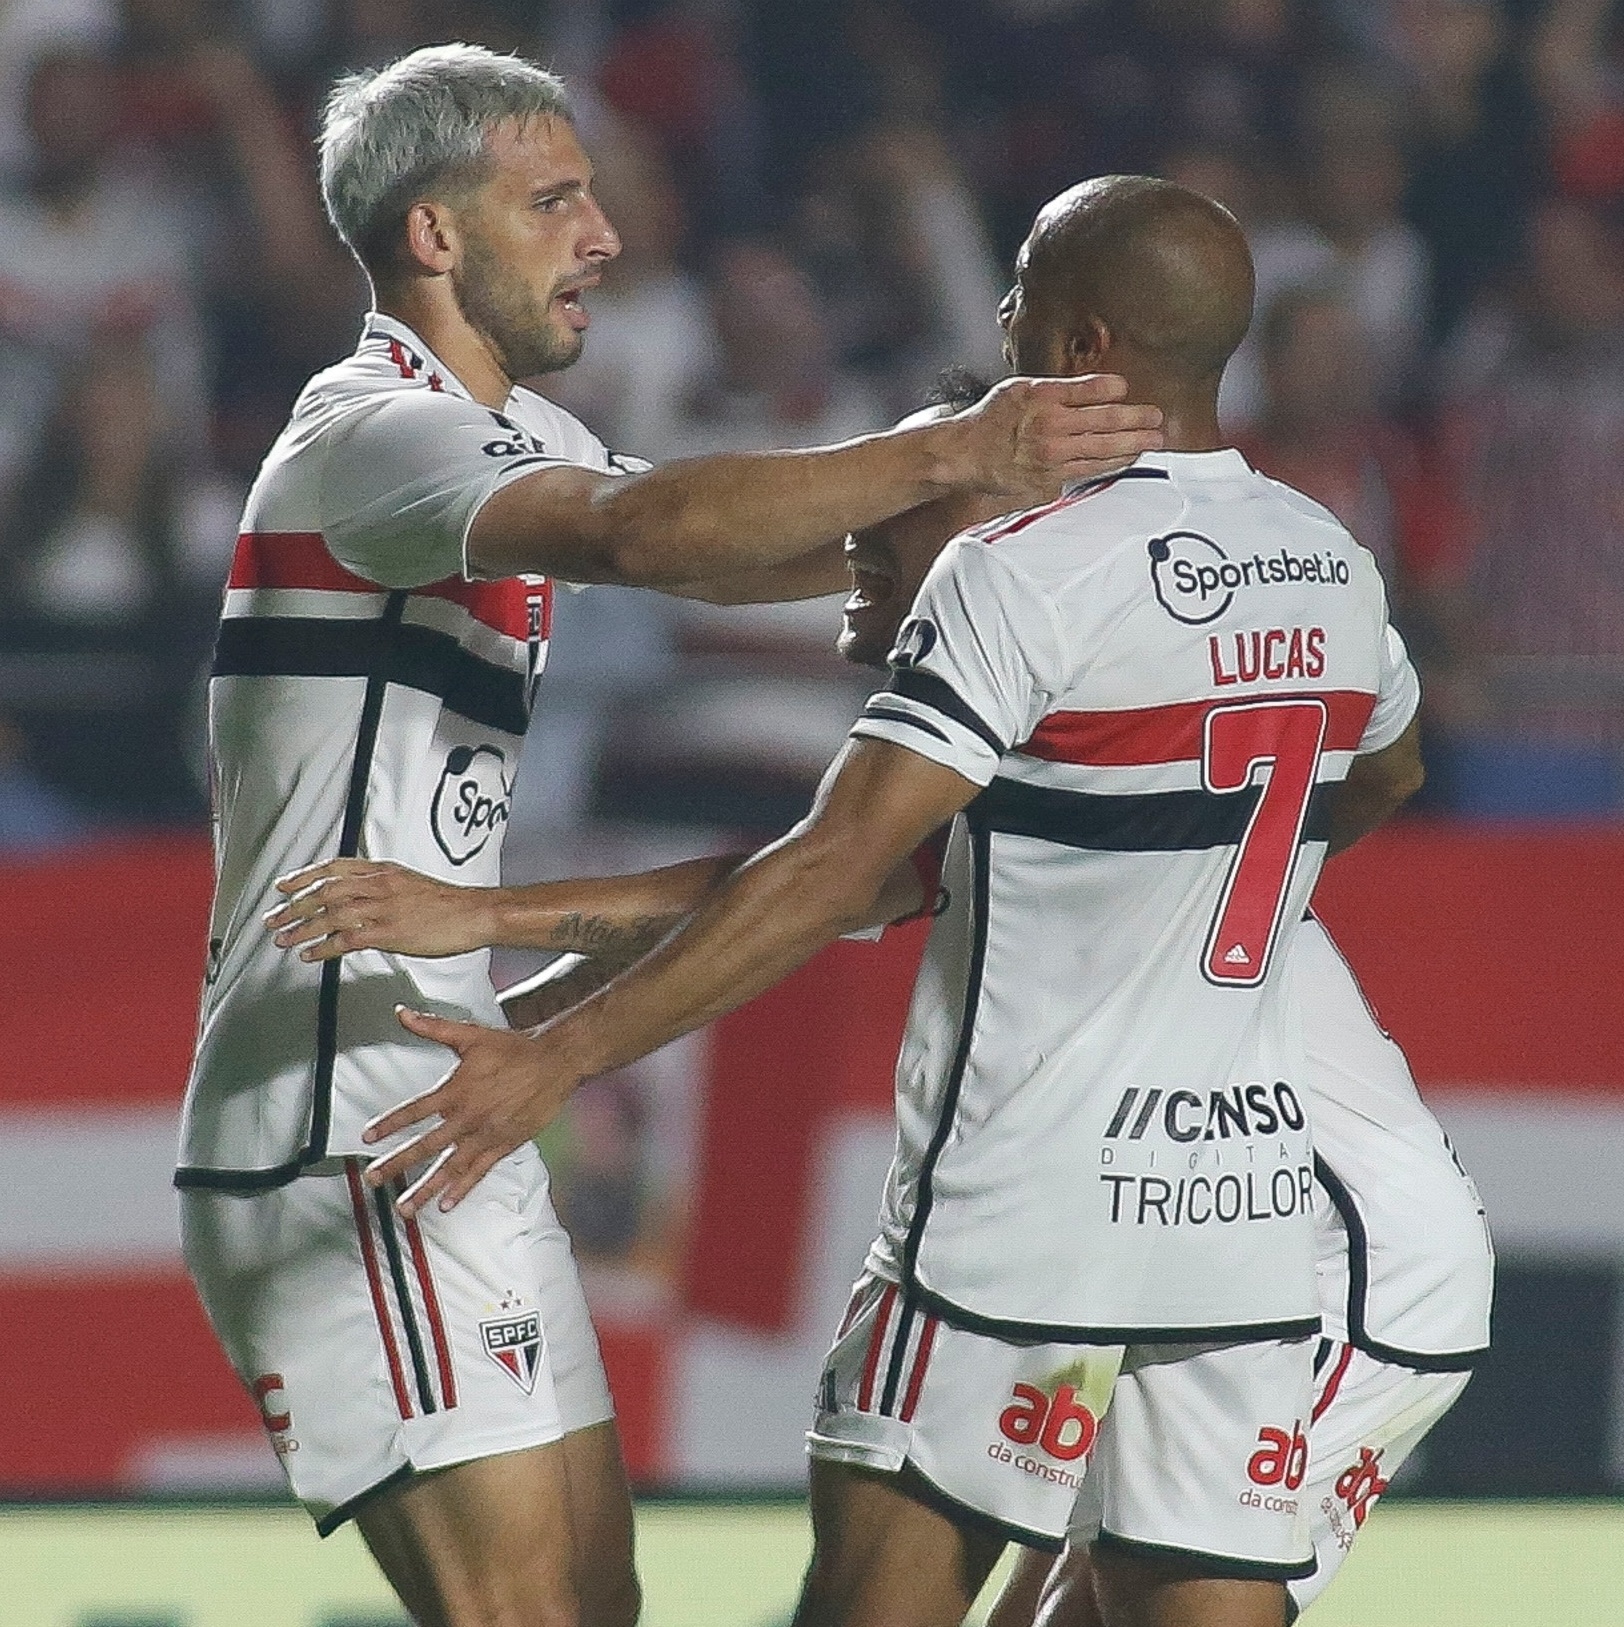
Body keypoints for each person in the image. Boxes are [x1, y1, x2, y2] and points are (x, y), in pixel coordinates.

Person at [334, 174, 1429, 1627]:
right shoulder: (1331, 564)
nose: (998, 318)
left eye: (1021, 296)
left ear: (1084, 340)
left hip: (1014, 1222)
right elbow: (1385, 778)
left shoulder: (1022, 573)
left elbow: (832, 866)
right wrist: (1187, 880)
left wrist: (555, 1059)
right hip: (1233, 1219)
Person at [175, 42, 1164, 1627]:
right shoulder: (370, 433)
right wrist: (957, 450)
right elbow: (653, 534)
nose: (607, 234)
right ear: (434, 235)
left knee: (600, 1608)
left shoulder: (518, 450)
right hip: (337, 1112)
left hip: (441, 1093)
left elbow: (722, 545)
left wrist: (1004, 525)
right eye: (556, 198)